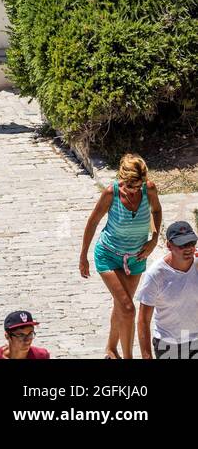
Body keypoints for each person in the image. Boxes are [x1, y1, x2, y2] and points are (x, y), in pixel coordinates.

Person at [79, 152, 162, 359]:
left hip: (137, 257)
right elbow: (92, 222)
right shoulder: (111, 193)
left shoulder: (149, 189)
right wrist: (83, 256)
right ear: (122, 180)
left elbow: (157, 211)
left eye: (139, 185)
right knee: (128, 308)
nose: (136, 190)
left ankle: (111, 348)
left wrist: (154, 239)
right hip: (108, 255)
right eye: (132, 186)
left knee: (121, 305)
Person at [137, 220, 198, 360]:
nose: (189, 248)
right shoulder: (156, 274)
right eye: (182, 245)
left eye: (192, 243)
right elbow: (143, 320)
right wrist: (146, 356)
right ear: (169, 245)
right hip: (169, 345)